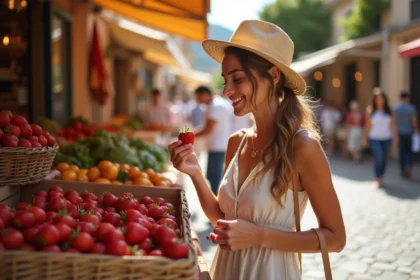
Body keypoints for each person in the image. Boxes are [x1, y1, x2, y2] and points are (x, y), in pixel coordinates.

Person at [168, 20, 345, 280]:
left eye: (237, 78)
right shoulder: (235, 142)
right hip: (226, 271)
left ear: (273, 76)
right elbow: (222, 219)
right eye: (225, 80)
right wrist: (195, 173)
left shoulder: (303, 147)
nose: (227, 90)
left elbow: (336, 238)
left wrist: (260, 236)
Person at [193, 86, 233, 195]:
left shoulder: (216, 106)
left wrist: (190, 136)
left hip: (218, 147)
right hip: (217, 146)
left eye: (198, 97)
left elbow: (208, 129)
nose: (197, 100)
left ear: (205, 94)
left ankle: (218, 205)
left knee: (214, 177)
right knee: (213, 176)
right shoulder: (216, 104)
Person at [363, 88, 398, 187]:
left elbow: (393, 125)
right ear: (374, 100)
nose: (379, 100)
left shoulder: (390, 111)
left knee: (384, 158)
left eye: (381, 98)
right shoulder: (370, 111)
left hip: (387, 138)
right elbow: (367, 126)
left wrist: (396, 137)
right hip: (374, 138)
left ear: (384, 99)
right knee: (379, 156)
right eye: (377, 99)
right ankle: (378, 176)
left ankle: (381, 174)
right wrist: (364, 138)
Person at [393, 91, 419, 178]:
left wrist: (395, 135)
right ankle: (408, 166)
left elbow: (394, 122)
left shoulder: (396, 108)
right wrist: (416, 132)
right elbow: (414, 121)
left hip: (399, 133)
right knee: (409, 152)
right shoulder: (411, 108)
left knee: (402, 152)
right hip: (409, 132)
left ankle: (403, 170)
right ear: (407, 98)